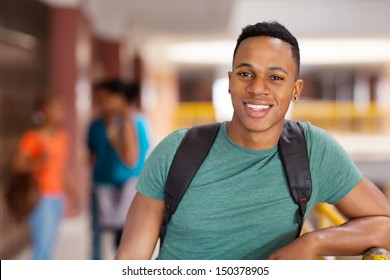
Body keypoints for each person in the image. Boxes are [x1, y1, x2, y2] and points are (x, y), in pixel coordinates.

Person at [115, 21, 390, 260]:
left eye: (275, 77)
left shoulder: (313, 151)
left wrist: (314, 242)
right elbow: (130, 258)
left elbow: (385, 225)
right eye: (246, 74)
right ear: (230, 81)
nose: (258, 88)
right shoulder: (176, 150)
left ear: (295, 90)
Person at [87, 79, 150, 259]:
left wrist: (115, 139)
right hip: (102, 183)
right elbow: (91, 153)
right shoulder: (97, 124)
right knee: (99, 235)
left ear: (121, 99)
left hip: (127, 186)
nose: (103, 102)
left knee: (123, 238)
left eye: (107, 98)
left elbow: (131, 160)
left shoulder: (130, 122)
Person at [12, 95, 78, 260]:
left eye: (61, 109)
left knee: (49, 247)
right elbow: (17, 165)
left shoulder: (63, 136)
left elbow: (62, 169)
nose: (60, 112)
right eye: (55, 108)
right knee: (41, 248)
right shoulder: (33, 137)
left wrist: (73, 192)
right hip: (40, 196)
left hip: (57, 196)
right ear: (43, 111)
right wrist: (38, 163)